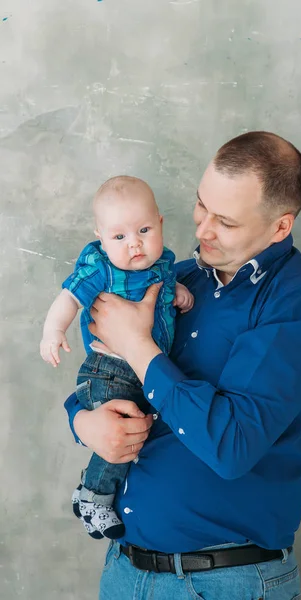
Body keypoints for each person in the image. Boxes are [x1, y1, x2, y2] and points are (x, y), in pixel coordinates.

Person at [65, 131, 301, 600]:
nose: (201, 230)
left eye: (226, 222)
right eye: (201, 206)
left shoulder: (300, 305)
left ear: (280, 227)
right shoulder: (174, 280)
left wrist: (138, 345)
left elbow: (232, 445)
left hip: (224, 582)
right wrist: (83, 420)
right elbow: (106, 371)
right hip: (124, 571)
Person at [41, 176, 193, 540]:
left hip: (142, 372)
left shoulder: (164, 265)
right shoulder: (102, 269)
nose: (135, 244)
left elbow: (165, 289)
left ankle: (93, 492)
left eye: (143, 230)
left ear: (160, 223)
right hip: (108, 372)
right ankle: (94, 496)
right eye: (119, 237)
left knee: (134, 433)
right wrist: (53, 331)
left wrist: (179, 291)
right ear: (101, 236)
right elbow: (69, 299)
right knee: (124, 433)